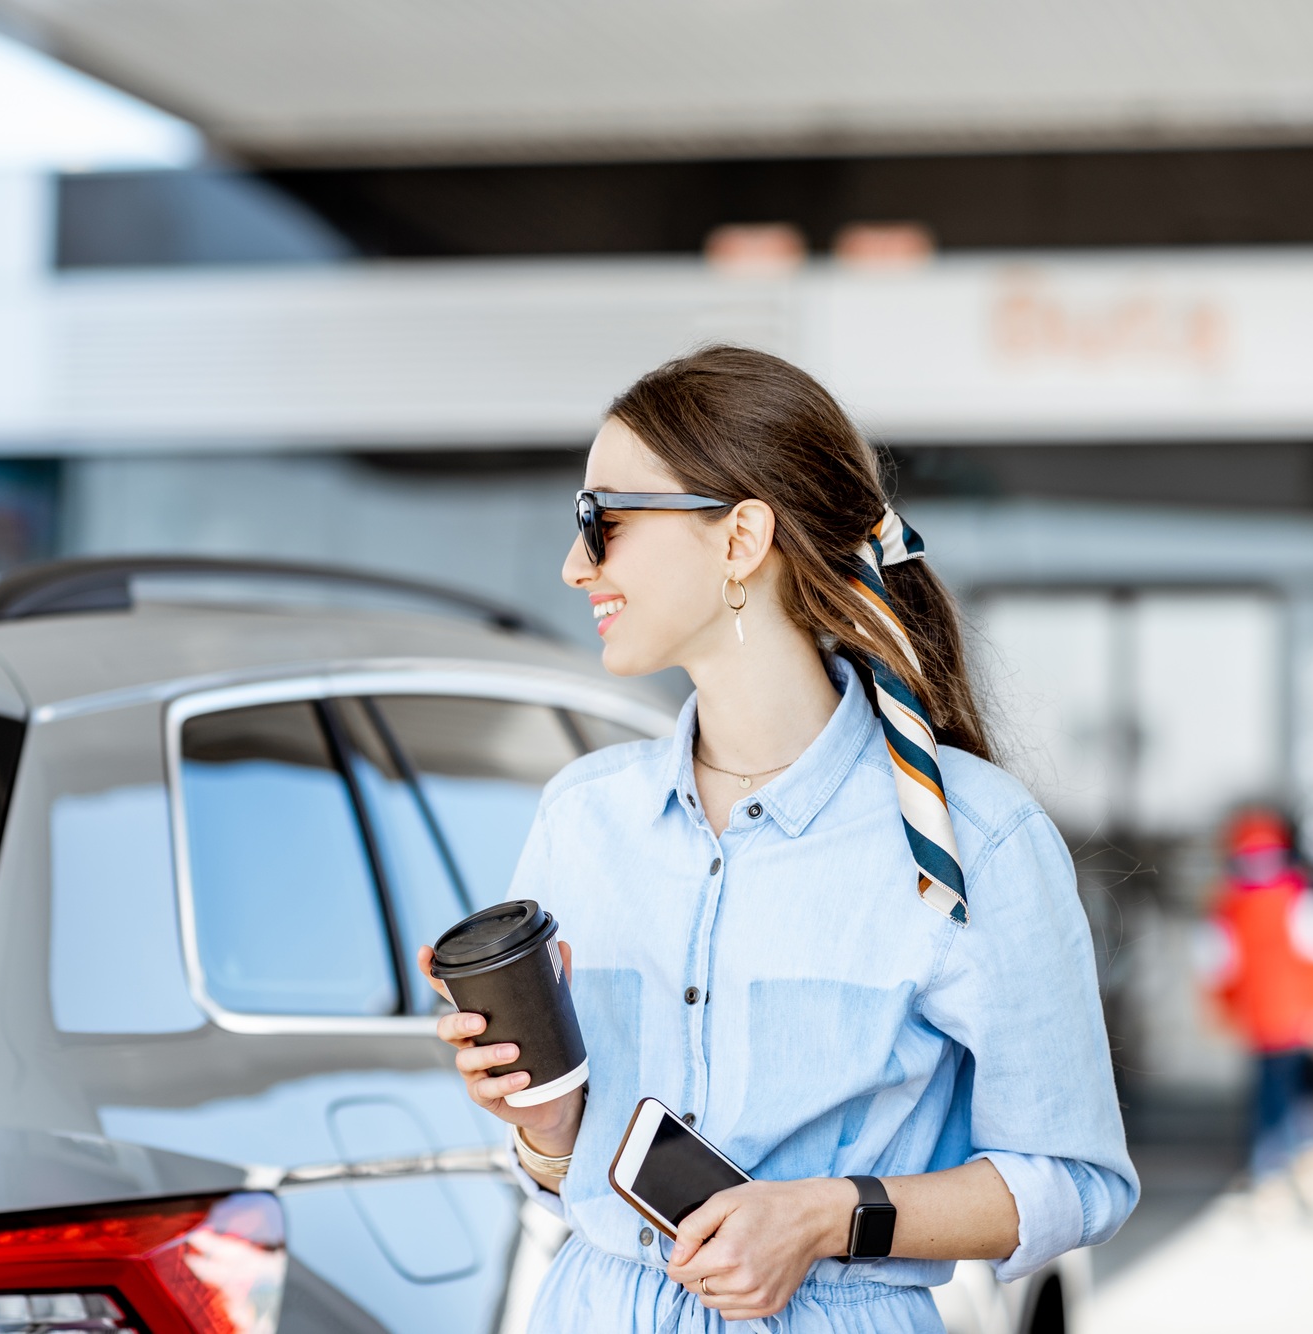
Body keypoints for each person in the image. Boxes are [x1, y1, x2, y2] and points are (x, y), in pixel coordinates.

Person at [415, 346, 1137, 1331]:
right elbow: (563, 1180)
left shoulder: (969, 833)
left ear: (739, 536)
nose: (573, 563)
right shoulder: (581, 817)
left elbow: (1073, 1178)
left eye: (603, 519)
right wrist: (545, 1133)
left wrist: (824, 1214)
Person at [1197, 809, 1313, 1194]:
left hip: (1289, 1019)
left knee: (1285, 1091)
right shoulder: (1257, 902)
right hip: (1274, 1020)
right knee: (1287, 1090)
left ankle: (1285, 1163)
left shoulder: (1239, 904)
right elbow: (1218, 966)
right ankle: (1297, 1161)